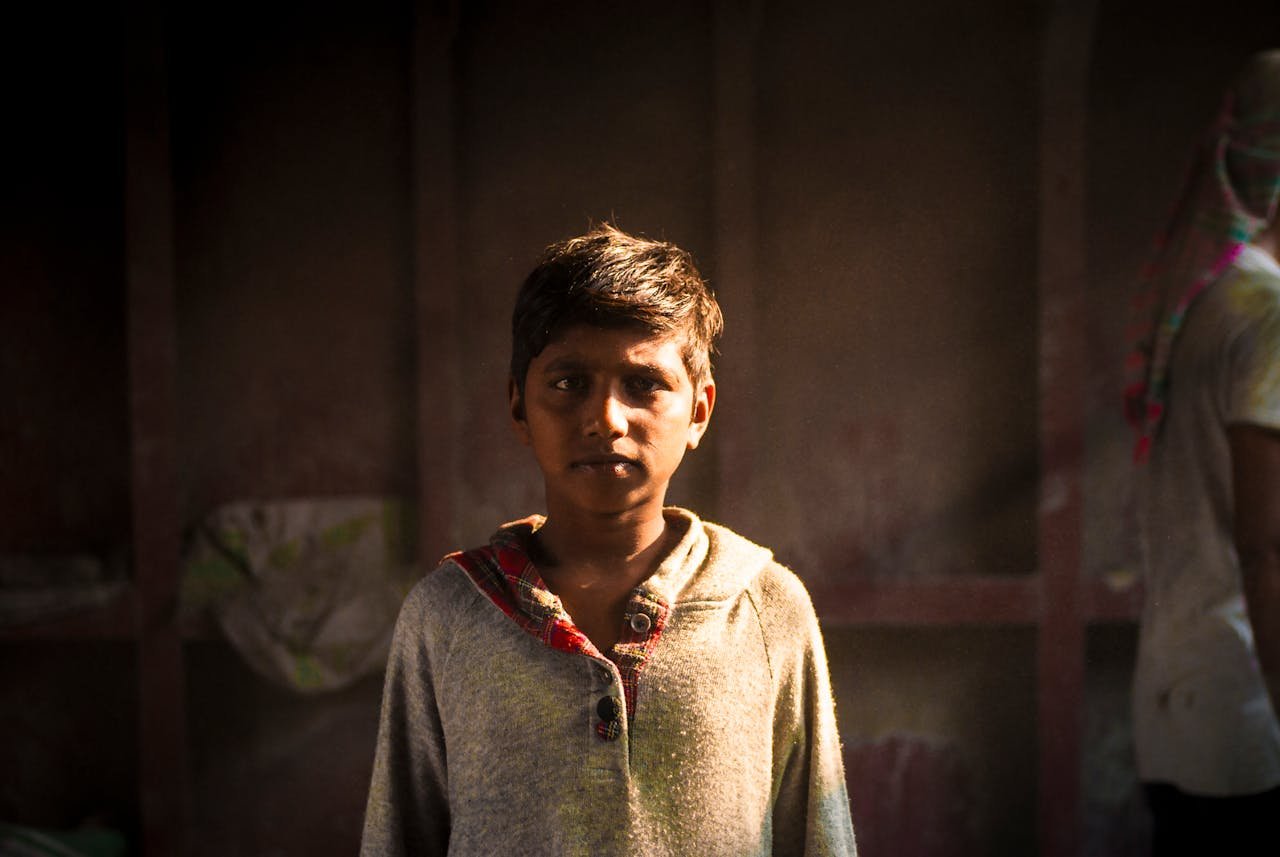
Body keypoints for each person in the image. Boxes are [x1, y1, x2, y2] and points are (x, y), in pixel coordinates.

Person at [360, 224, 858, 856]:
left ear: (699, 411)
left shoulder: (765, 608)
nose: (605, 419)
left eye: (643, 384)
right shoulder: (448, 614)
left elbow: (819, 838)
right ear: (518, 407)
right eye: (569, 384)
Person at [1124, 49, 1280, 855]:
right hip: (1248, 718)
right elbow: (1266, 547)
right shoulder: (1267, 313)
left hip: (1172, 703)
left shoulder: (1204, 306)